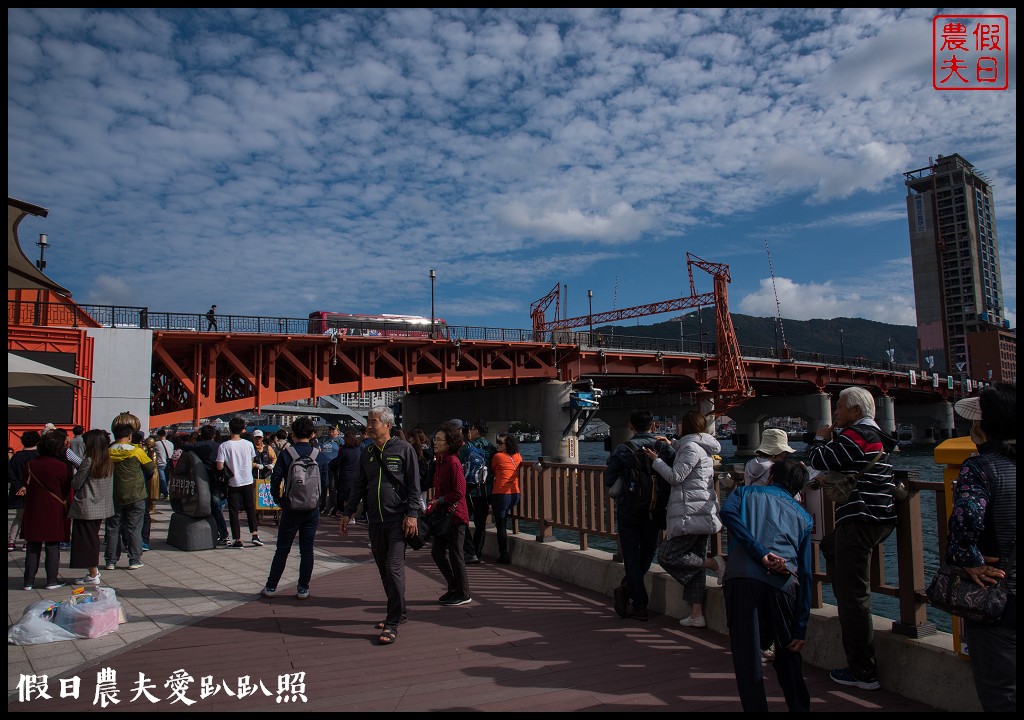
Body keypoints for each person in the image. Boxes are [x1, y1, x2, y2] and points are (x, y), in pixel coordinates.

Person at [807, 386, 898, 691]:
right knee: (831, 545)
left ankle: (863, 672)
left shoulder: (856, 436)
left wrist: (819, 436)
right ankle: (841, 582)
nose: (835, 413)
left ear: (856, 411)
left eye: (840, 408)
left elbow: (819, 458)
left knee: (854, 600)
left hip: (860, 520)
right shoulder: (876, 436)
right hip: (879, 517)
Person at [720, 459, 814, 713]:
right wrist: (801, 625)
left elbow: (726, 514)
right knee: (789, 654)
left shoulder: (743, 492)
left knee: (747, 656)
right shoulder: (804, 517)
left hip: (742, 578)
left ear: (771, 476)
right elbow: (806, 573)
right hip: (784, 583)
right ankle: (800, 707)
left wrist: (759, 553)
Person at [947, 384, 1016, 712]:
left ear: (985, 424)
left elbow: (966, 520)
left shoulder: (980, 468)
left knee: (1000, 691)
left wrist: (969, 559)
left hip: (999, 594)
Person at [340, 406, 420, 645]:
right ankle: (400, 611)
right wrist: (348, 512)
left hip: (398, 520)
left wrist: (413, 514)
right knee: (384, 569)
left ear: (387, 425)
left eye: (373, 421)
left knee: (394, 568)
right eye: (368, 420)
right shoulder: (367, 452)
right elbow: (359, 485)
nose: (369, 425)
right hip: (374, 521)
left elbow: (415, 486)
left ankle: (392, 622)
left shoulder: (404, 450)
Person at [643, 410, 724, 628]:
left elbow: (675, 477)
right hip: (702, 510)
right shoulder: (701, 446)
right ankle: (696, 614)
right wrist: (672, 443)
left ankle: (715, 564)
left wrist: (656, 460)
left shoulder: (690, 447)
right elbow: (690, 457)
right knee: (693, 563)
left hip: (691, 511)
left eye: (680, 425)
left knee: (667, 555)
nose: (677, 427)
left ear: (686, 427)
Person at [604, 409, 673, 621]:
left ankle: (638, 602)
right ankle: (628, 588)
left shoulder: (623, 449)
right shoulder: (664, 448)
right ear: (653, 426)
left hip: (628, 509)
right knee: (648, 551)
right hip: (655, 508)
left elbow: (609, 479)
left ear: (631, 427)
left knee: (631, 555)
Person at [262, 416, 321, 600]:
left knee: (282, 549)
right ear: (312, 434)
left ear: (293, 434)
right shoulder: (318, 454)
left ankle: (271, 587)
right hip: (312, 509)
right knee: (307, 550)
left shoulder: (287, 454)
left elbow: (275, 478)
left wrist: (279, 499)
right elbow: (325, 481)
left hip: (291, 507)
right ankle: (303, 588)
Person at [22, 432, 74, 589]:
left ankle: (28, 581)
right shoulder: (61, 466)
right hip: (54, 507)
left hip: (33, 508)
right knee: (52, 546)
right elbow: (66, 488)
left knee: (32, 546)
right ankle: (51, 580)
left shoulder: (31, 465)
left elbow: (27, 483)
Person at [428, 424, 472, 606]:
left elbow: (460, 492)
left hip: (455, 516)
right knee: (437, 553)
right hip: (443, 515)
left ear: (449, 443)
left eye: (439, 440)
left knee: (455, 555)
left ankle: (463, 593)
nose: (435, 442)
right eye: (435, 439)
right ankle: (453, 587)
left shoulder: (453, 462)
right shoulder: (439, 461)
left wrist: (440, 501)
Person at [105, 422, 155, 571]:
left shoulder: (107, 451)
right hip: (135, 494)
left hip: (114, 494)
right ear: (129, 436)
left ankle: (111, 561)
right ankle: (134, 559)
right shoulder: (137, 451)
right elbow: (150, 467)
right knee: (134, 527)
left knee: (113, 528)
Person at [70, 429, 115, 586]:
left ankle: (93, 573)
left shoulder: (89, 461)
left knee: (86, 540)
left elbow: (76, 483)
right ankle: (93, 571)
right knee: (93, 537)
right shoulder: (108, 460)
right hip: (102, 505)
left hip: (86, 504)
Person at [216, 416, 263, 548]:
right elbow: (252, 461)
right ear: (243, 429)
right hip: (247, 480)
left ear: (230, 429)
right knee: (250, 508)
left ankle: (237, 540)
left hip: (233, 482)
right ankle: (254, 535)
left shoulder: (224, 446)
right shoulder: (249, 444)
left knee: (233, 511)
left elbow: (219, 466)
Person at [467, 420, 497, 560]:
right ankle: (476, 553)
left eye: (471, 429)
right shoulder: (491, 447)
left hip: (470, 490)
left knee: (461, 520)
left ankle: (468, 550)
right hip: (486, 490)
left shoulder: (469, 446)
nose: (469, 431)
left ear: (476, 431)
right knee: (481, 524)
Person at [490, 434, 522, 564]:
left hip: (501, 494)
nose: (497, 445)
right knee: (504, 520)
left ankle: (504, 554)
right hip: (515, 494)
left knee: (501, 525)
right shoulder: (518, 456)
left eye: (500, 443)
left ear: (507, 445)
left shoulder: (497, 457)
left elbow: (492, 469)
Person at [8, 430, 40, 552]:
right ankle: (27, 541)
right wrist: (26, 487)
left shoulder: (16, 457)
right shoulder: (38, 456)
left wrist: (19, 486)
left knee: (19, 516)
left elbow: (10, 473)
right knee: (32, 517)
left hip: (18, 491)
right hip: (34, 491)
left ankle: (11, 541)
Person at [333, 430, 361, 516]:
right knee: (353, 496)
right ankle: (353, 516)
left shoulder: (344, 450)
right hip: (356, 475)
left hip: (345, 476)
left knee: (345, 497)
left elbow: (337, 462)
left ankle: (346, 515)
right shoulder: (358, 449)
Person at [317, 425, 341, 514]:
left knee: (332, 487)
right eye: (329, 430)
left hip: (333, 468)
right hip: (323, 467)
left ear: (337, 431)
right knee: (322, 486)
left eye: (333, 430)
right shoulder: (323, 440)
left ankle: (332, 507)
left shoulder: (340, 441)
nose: (330, 431)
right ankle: (321, 506)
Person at [153, 428, 174, 499]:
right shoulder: (171, 444)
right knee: (166, 479)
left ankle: (165, 493)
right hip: (169, 463)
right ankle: (166, 493)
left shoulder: (156, 444)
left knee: (162, 479)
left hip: (160, 463)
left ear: (158, 436)